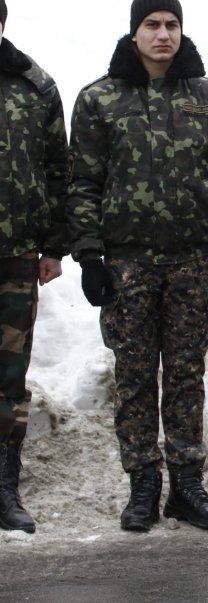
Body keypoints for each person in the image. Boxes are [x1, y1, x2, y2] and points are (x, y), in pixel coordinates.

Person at [67, 0, 208, 532]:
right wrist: (90, 255)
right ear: (135, 31)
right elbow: (82, 183)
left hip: (190, 261)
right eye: (152, 24)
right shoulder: (99, 99)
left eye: (171, 24)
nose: (162, 34)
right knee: (135, 376)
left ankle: (187, 486)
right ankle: (143, 483)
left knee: (188, 375)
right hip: (126, 265)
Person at [0, 0, 68, 534]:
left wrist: (53, 246)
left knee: (8, 378)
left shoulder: (34, 85)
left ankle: (4, 486)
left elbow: (56, 167)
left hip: (15, 256)